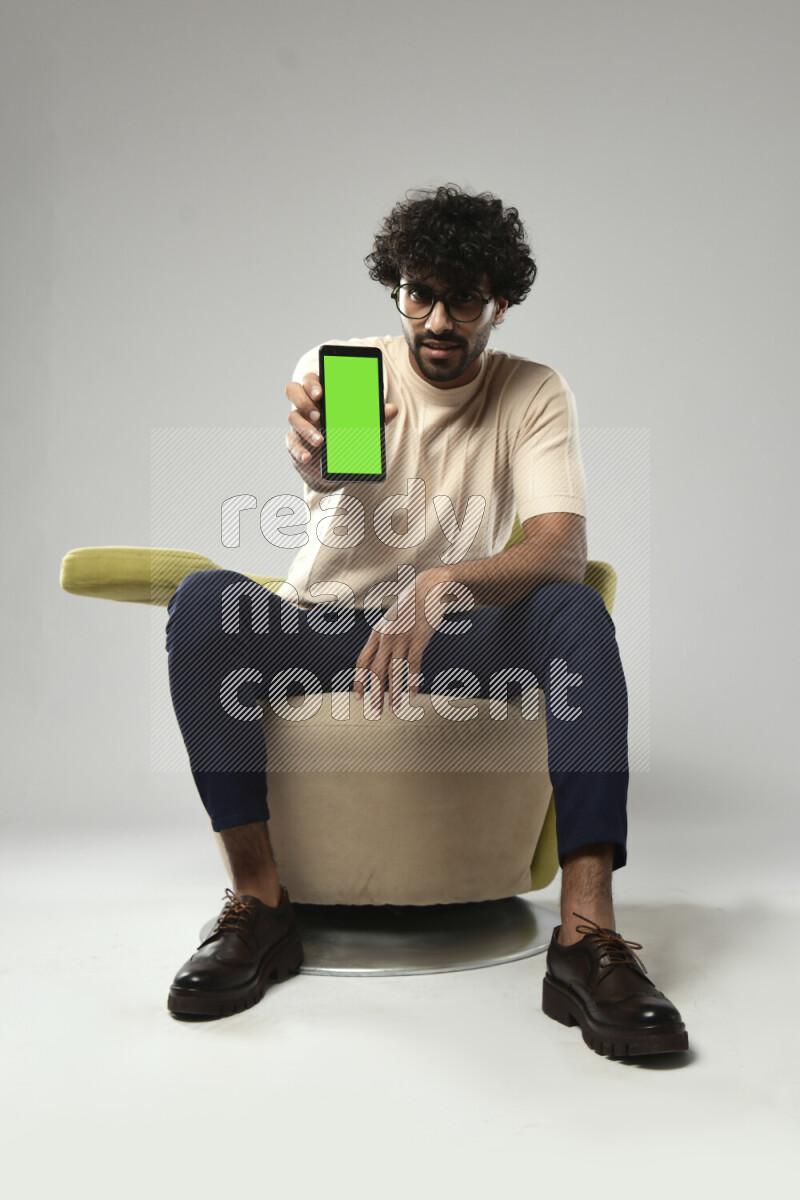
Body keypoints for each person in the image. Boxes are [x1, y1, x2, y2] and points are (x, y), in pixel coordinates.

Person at [164, 184, 689, 1057]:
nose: (439, 319)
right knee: (204, 602)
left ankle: (586, 939)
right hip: (325, 627)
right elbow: (325, 466)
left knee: (573, 609)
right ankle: (260, 902)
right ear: (398, 289)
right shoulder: (347, 370)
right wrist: (320, 462)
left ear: (500, 304)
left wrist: (441, 584)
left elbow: (559, 547)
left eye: (465, 299)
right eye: (420, 294)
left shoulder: (533, 392)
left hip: (451, 637)